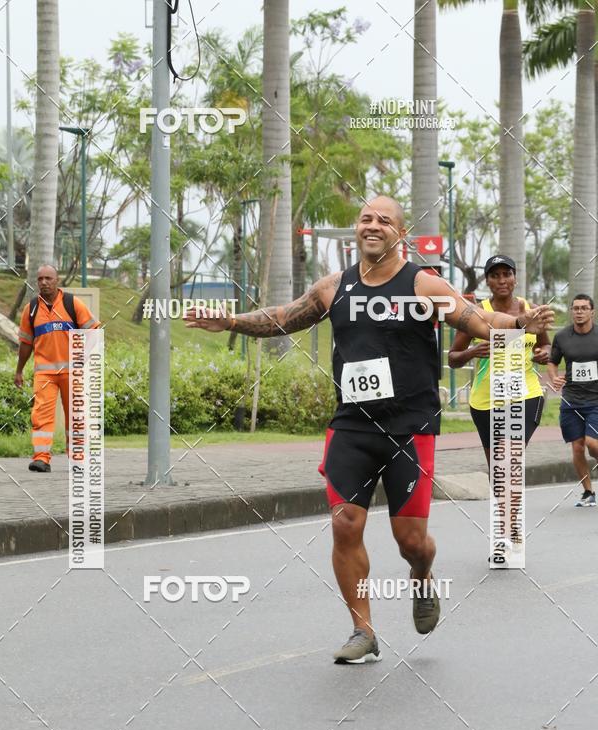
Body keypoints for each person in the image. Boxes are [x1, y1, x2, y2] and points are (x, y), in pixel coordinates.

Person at [186, 197, 553, 663]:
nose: (372, 225)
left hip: (409, 428)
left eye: (384, 220)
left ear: (401, 233)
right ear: (357, 229)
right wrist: (232, 321)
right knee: (345, 524)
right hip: (353, 425)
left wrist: (518, 321)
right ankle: (363, 630)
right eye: (365, 218)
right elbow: (284, 317)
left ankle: (422, 576)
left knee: (412, 542)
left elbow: (476, 319)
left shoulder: (422, 284)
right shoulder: (334, 286)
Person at [448, 254, 551, 467]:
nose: (502, 280)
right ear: (487, 281)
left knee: (507, 459)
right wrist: (472, 352)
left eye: (507, 274)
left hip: (525, 395)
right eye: (495, 276)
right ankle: (506, 490)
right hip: (485, 400)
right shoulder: (475, 314)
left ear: (515, 278)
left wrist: (544, 354)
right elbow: (453, 358)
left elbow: (546, 346)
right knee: (498, 472)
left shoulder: (530, 310)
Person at [14, 265, 100, 472]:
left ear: (57, 280)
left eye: (48, 278)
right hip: (45, 374)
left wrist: (83, 356)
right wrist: (19, 370)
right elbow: (26, 343)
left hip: (73, 372)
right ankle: (41, 458)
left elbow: (94, 332)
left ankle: (78, 459)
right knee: (40, 415)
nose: (44, 282)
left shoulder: (72, 304)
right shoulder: (31, 309)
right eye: (40, 279)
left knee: (76, 415)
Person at [548, 293, 598, 507]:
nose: (579, 312)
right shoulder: (562, 337)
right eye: (576, 308)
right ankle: (588, 492)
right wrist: (554, 377)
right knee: (577, 448)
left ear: (592, 312)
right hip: (571, 401)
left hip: (596, 401)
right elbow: (552, 362)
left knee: (592, 444)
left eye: (584, 308)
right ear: (571, 311)